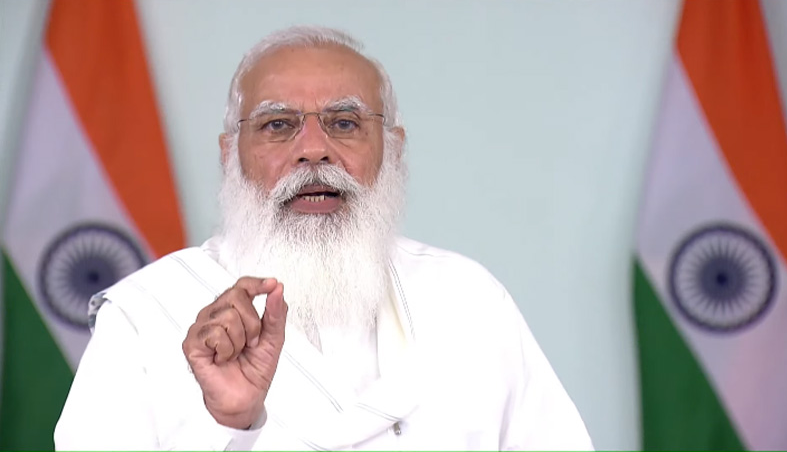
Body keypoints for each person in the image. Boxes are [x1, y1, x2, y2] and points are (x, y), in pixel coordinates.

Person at [54, 26, 593, 451]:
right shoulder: (146, 318)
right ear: (229, 155)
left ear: (393, 150)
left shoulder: (469, 303)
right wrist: (230, 428)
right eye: (277, 125)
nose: (313, 149)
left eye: (344, 122)